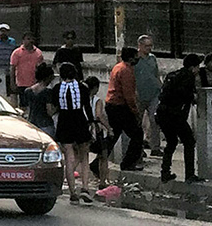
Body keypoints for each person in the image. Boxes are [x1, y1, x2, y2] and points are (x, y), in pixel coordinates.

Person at [51, 62, 95, 203]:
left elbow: (54, 107)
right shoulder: (83, 88)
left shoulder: (57, 88)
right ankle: (85, 187)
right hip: (79, 121)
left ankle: (72, 192)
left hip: (64, 122)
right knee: (84, 155)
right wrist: (92, 122)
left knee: (69, 157)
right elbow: (87, 107)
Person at [155, 53, 202, 183]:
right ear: (192, 67)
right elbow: (186, 95)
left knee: (171, 142)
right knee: (189, 141)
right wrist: (194, 97)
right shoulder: (188, 77)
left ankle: (165, 172)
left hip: (162, 113)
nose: (198, 70)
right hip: (175, 115)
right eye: (197, 67)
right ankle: (189, 174)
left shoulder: (173, 75)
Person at [105, 46, 145, 171]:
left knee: (114, 134)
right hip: (120, 106)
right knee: (137, 134)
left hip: (113, 105)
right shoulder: (126, 70)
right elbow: (128, 94)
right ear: (131, 58)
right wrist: (135, 111)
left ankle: (99, 161)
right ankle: (128, 162)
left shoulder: (118, 67)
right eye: (136, 56)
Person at [134, 34, 163, 153]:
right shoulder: (135, 59)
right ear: (140, 46)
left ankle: (155, 147)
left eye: (150, 46)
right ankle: (138, 148)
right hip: (139, 95)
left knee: (155, 120)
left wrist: (161, 88)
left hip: (153, 93)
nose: (149, 48)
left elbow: (156, 74)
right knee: (137, 122)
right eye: (146, 46)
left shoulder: (152, 58)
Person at [10, 33, 44, 112]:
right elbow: (12, 68)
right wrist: (12, 83)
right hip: (21, 83)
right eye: (28, 39)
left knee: (34, 105)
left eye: (32, 39)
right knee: (23, 105)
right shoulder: (17, 52)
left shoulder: (38, 53)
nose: (30, 41)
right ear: (23, 40)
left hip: (34, 84)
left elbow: (41, 69)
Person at [25, 61, 56, 133]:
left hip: (32, 123)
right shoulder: (47, 92)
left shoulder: (28, 91)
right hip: (45, 124)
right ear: (48, 78)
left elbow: (27, 109)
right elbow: (50, 111)